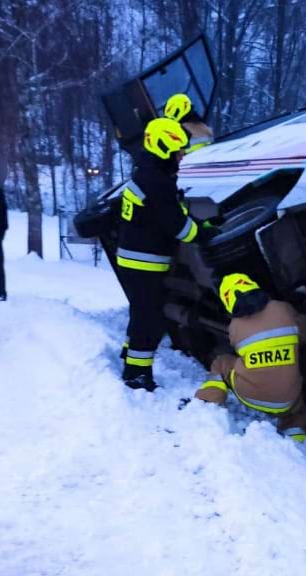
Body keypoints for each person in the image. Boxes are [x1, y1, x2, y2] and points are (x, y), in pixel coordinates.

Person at [117, 117, 217, 391]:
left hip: (134, 257)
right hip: (144, 261)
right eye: (178, 151)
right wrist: (203, 232)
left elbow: (166, 213)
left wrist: (193, 220)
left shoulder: (146, 172)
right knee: (149, 318)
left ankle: (130, 355)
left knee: (140, 313)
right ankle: (137, 375)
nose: (182, 155)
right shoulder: (157, 181)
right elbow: (177, 227)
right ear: (164, 148)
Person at [195, 273, 306, 442]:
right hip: (286, 402)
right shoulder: (283, 309)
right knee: (297, 408)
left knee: (222, 363)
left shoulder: (235, 326)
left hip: (250, 396)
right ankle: (296, 439)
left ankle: (208, 402)